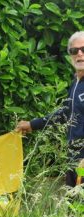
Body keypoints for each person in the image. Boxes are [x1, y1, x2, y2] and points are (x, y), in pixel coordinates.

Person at [16, 31, 84, 188]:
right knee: (73, 206)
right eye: (74, 51)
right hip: (73, 160)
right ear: (70, 55)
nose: (79, 54)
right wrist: (32, 124)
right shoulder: (76, 83)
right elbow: (64, 114)